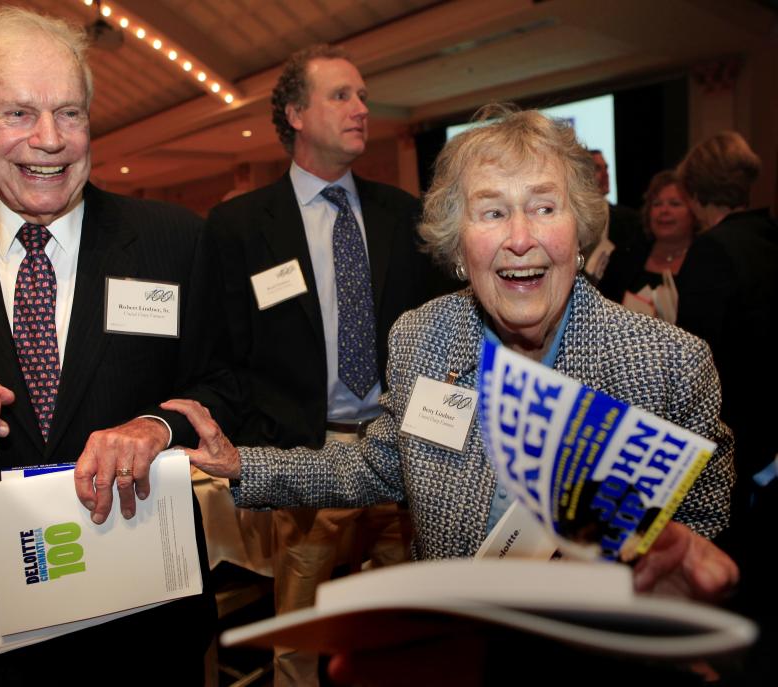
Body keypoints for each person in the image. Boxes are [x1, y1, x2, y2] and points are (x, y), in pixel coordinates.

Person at [164, 106, 737, 683]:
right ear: (459, 246)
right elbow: (379, 462)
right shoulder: (423, 339)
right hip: (448, 657)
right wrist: (245, 466)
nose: (520, 238)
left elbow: (706, 526)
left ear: (581, 231)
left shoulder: (668, 365)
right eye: (491, 211)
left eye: (544, 207)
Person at [0, 7, 238, 684]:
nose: (50, 140)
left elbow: (229, 387)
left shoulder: (173, 240)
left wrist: (156, 425)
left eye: (70, 113)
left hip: (140, 627)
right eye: (18, 114)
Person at [204, 44, 450, 685]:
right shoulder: (238, 226)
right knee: (299, 633)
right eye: (342, 95)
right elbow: (226, 350)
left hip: (401, 455)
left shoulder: (404, 214)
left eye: (363, 96)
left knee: (403, 629)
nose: (362, 108)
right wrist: (267, 439)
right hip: (307, 456)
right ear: (294, 113)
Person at [673, 131, 778, 684]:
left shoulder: (712, 253)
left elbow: (701, 370)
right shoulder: (768, 234)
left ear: (693, 196)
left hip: (740, 447)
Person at [598, 170, 698, 320]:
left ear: (694, 211)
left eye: (674, 204)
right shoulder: (627, 256)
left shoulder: (703, 261)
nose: (664, 211)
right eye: (657, 204)